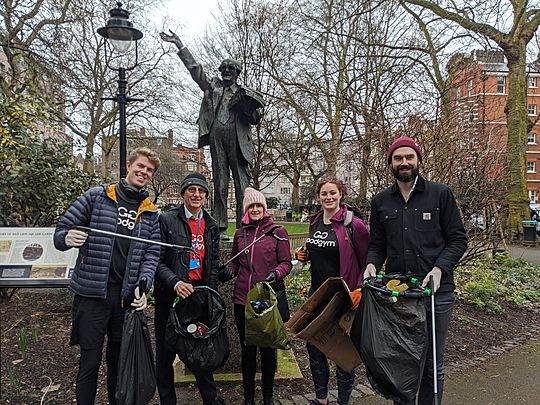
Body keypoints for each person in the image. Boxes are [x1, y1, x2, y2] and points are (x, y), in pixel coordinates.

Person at [53, 147, 161, 405]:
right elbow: (61, 231)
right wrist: (67, 238)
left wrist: (144, 285)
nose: (143, 172)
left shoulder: (150, 212)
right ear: (128, 166)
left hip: (124, 299)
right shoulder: (97, 196)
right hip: (92, 295)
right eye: (140, 166)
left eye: (149, 170)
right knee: (89, 363)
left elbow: (152, 253)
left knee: (117, 363)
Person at [365, 136, 468, 405]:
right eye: (398, 158)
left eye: (409, 157)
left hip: (436, 292)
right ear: (390, 163)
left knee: (432, 361)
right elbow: (377, 244)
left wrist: (440, 269)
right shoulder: (381, 202)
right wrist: (372, 264)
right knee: (403, 359)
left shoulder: (440, 194)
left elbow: (458, 239)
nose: (404, 163)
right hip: (400, 295)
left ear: (419, 160)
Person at [160, 30, 264, 240]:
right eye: (223, 68)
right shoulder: (213, 88)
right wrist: (180, 46)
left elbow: (255, 117)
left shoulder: (243, 92)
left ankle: (244, 229)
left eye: (230, 68)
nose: (226, 71)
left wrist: (248, 108)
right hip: (217, 139)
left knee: (242, 185)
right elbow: (195, 70)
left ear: (236, 72)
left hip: (238, 142)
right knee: (220, 182)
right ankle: (221, 228)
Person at [298, 176, 369, 405]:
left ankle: (343, 402)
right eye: (324, 194)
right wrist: (305, 255)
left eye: (332, 193)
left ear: (341, 195)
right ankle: (321, 400)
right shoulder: (315, 221)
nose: (328, 197)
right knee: (315, 349)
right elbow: (317, 253)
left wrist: (360, 289)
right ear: (318, 197)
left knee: (341, 352)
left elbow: (368, 261)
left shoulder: (353, 225)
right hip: (317, 296)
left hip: (344, 298)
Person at [154, 172, 224, 405]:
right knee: (165, 352)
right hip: (172, 295)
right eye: (191, 190)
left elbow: (212, 264)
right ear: (183, 193)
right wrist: (175, 282)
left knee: (200, 349)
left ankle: (210, 399)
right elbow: (156, 261)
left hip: (198, 295)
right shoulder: (166, 220)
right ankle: (167, 400)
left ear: (205, 196)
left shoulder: (211, 225)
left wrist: (210, 295)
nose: (196, 194)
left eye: (201, 191)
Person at [224, 187, 292, 405]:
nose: (255, 209)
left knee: (268, 351)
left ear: (264, 208)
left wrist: (277, 273)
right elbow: (236, 262)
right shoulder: (240, 233)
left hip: (265, 299)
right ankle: (248, 397)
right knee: (247, 351)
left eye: (258, 206)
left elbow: (286, 262)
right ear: (246, 209)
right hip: (242, 299)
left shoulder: (277, 232)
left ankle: (268, 396)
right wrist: (229, 272)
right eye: (251, 206)